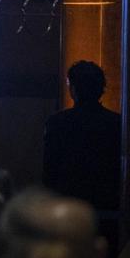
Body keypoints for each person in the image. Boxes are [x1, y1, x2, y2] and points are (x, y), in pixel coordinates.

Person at [43, 60, 121, 211]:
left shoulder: (57, 123)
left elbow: (49, 171)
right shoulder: (117, 123)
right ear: (101, 89)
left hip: (67, 206)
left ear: (73, 89)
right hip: (107, 204)